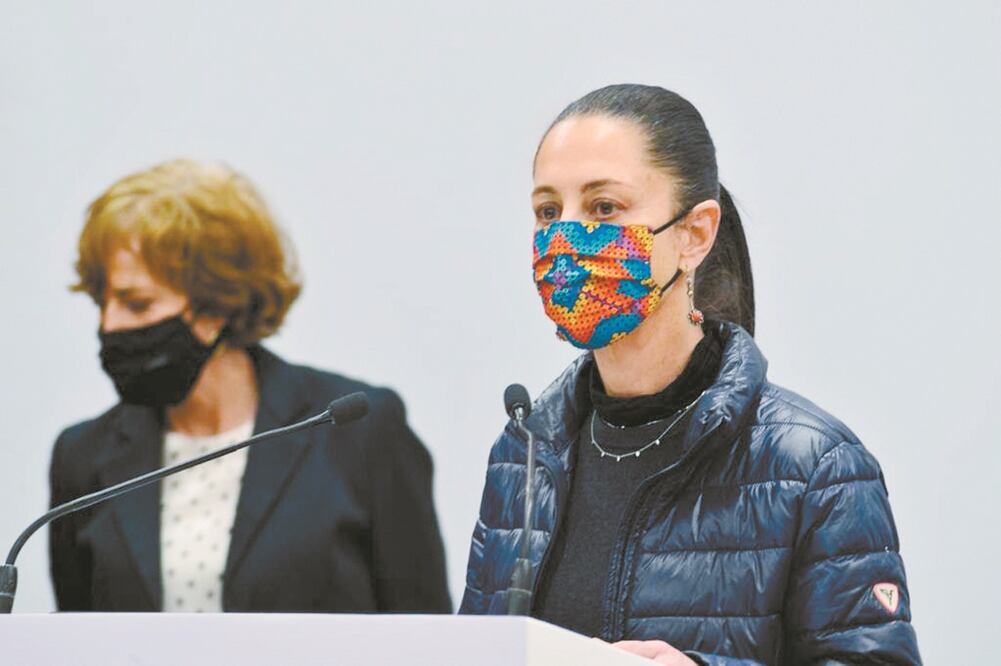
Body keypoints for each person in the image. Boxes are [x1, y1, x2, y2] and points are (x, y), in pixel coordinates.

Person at [459, 85, 920, 664]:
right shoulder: (523, 455)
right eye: (548, 211)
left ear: (695, 234)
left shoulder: (815, 466)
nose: (564, 239)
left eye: (604, 208)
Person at [49, 159, 451, 613]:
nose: (109, 325)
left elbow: (426, 631)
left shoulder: (357, 431)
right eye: (101, 302)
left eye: (136, 304)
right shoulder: (82, 458)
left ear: (216, 306)